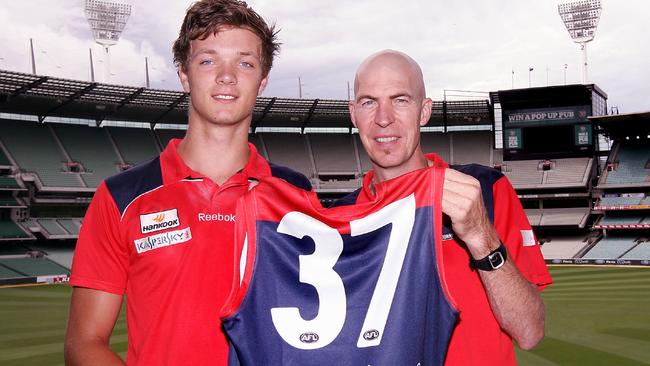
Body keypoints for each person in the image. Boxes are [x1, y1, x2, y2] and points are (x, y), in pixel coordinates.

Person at [64, 1, 309, 365]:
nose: (227, 76)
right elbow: (84, 342)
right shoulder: (121, 196)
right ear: (184, 73)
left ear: (264, 78)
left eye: (245, 62)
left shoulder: (297, 193)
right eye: (208, 60)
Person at [336, 50, 553, 365]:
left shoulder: (486, 190)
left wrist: (481, 236)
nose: (383, 118)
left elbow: (530, 332)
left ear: (424, 111)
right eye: (369, 102)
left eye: (400, 100)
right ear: (353, 113)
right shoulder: (335, 221)